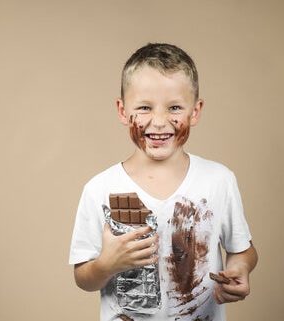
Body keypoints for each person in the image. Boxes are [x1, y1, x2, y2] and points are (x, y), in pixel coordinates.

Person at [69, 43, 258, 321]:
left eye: (175, 108)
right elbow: (83, 277)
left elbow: (243, 250)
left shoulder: (219, 180)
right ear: (122, 111)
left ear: (195, 111)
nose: (159, 121)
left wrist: (240, 268)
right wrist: (106, 265)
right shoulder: (99, 189)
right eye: (144, 107)